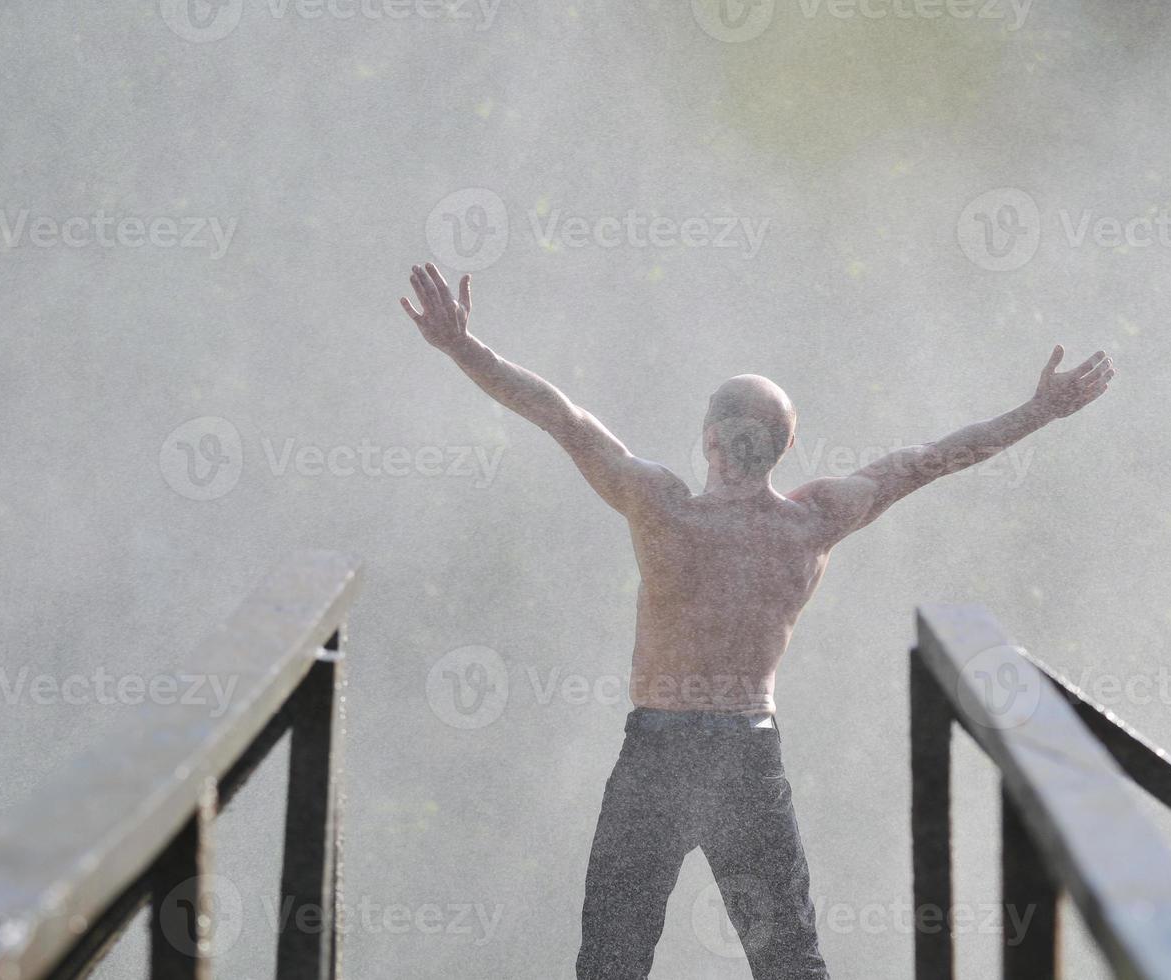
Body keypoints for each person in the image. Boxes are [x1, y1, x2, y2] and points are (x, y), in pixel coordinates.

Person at [398, 262, 1115, 979]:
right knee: (786, 964)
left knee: (616, 963)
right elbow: (928, 461)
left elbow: (562, 418)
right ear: (784, 447)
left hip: (663, 749)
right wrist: (1038, 412)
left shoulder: (662, 507)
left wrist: (464, 348)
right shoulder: (812, 522)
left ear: (710, 438)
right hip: (744, 749)